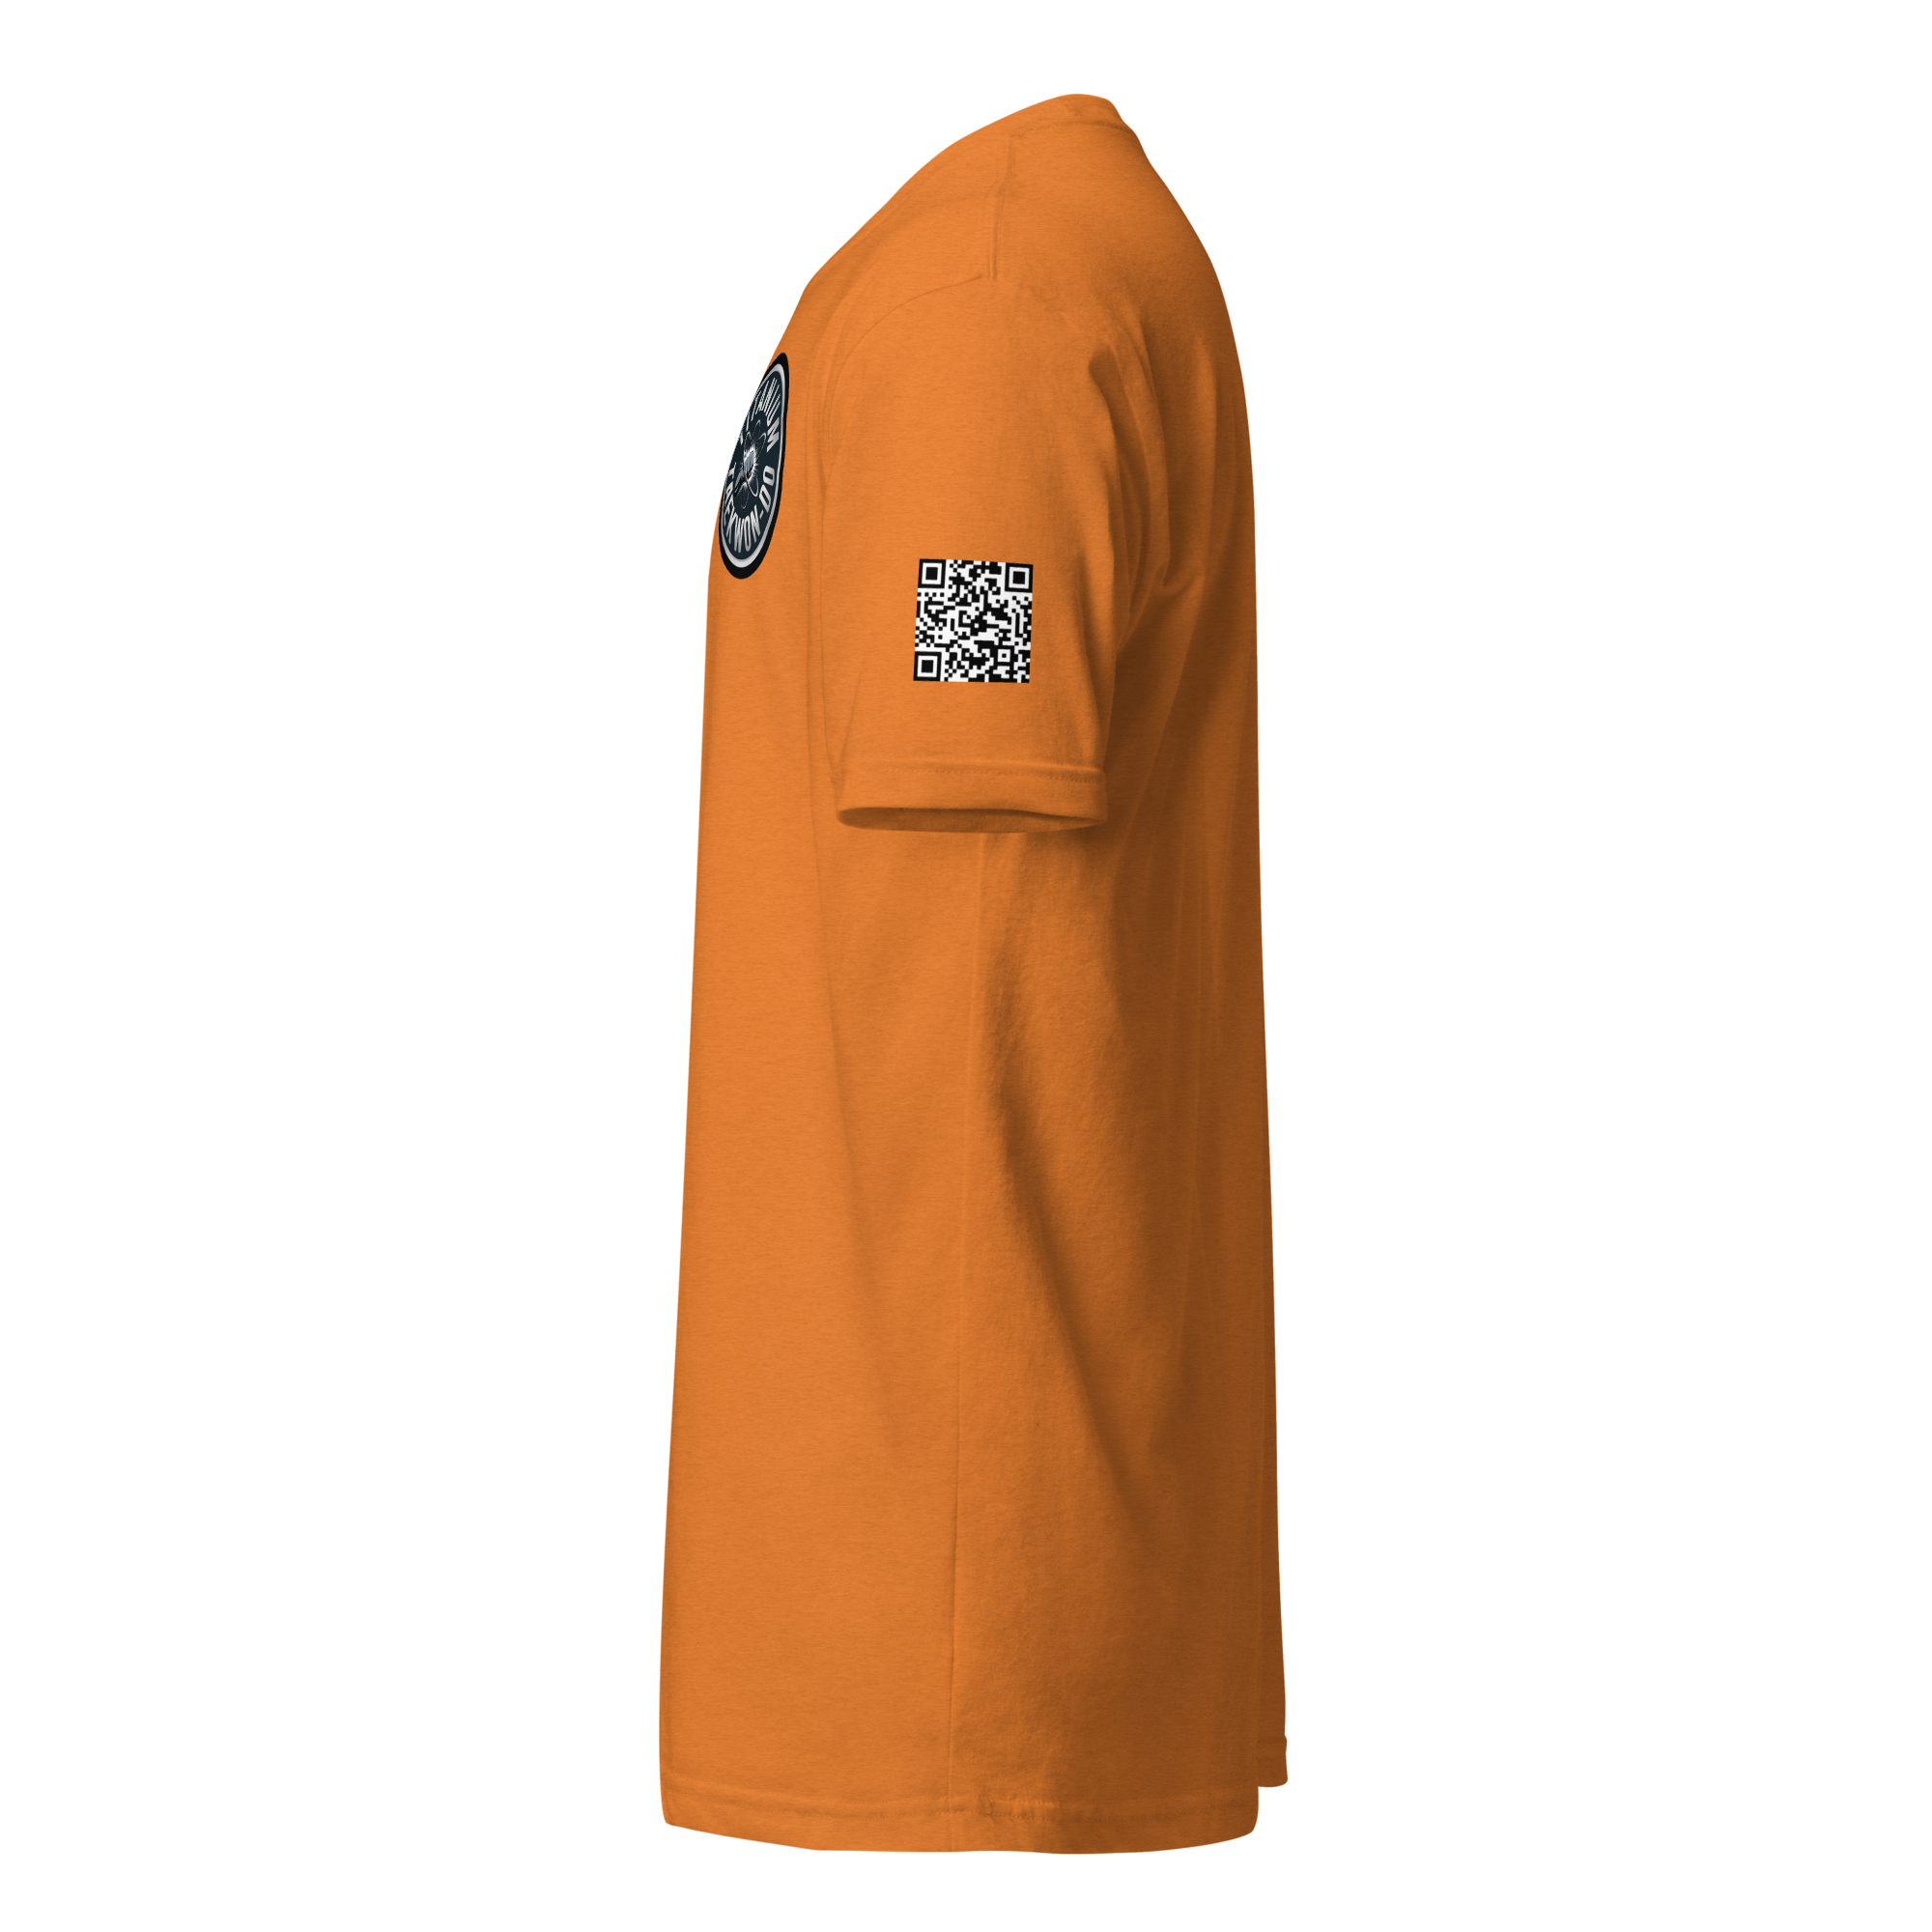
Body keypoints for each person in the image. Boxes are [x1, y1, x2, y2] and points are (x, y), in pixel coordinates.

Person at [661, 91, 1285, 1854]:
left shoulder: (986, 302)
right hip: (951, 1623)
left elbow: (973, 746)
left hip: (946, 1650)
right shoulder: (993, 256)